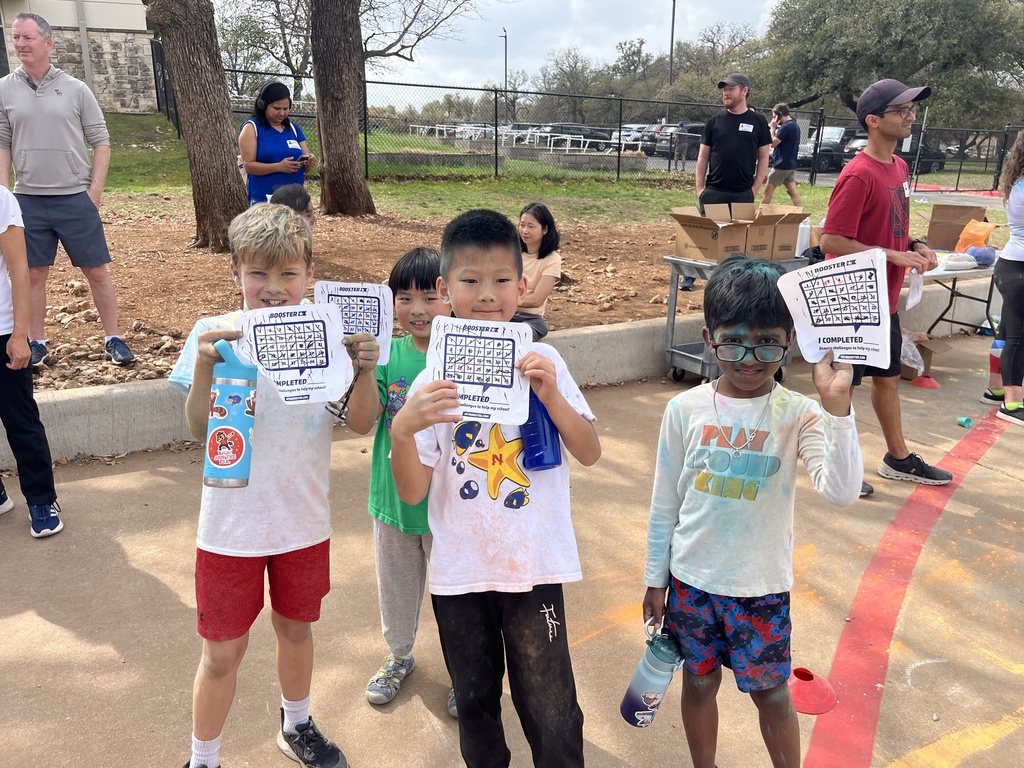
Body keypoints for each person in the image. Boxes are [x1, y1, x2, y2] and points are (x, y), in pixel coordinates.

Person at [389, 209, 602, 767]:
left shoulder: (545, 361)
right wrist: (403, 431)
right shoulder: (431, 380)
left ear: (523, 286)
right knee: (475, 702)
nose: (487, 294)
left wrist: (552, 398)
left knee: (552, 707)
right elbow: (411, 493)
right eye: (470, 280)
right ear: (445, 289)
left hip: (533, 566)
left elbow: (589, 450)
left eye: (502, 279)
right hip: (460, 572)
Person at [642, 254, 862, 768]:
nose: (749, 358)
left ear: (790, 341)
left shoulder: (800, 414)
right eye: (733, 341)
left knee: (773, 695)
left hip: (760, 588)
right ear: (708, 338)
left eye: (767, 342)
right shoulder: (684, 409)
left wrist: (837, 406)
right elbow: (665, 502)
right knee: (699, 683)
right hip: (691, 582)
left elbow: (841, 491)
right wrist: (655, 578)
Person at [169, 204, 355, 768]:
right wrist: (206, 367)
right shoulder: (215, 333)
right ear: (235, 272)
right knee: (221, 653)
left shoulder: (329, 338)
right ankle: (203, 758)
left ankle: (296, 724)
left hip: (303, 519)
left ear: (310, 274)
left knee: (296, 630)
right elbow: (200, 429)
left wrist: (363, 366)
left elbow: (360, 419)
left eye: (288, 274)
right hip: (231, 528)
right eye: (257, 273)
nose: (273, 288)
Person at [820, 78, 952, 494]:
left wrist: (915, 245)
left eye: (912, 109)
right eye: (902, 111)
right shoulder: (858, 174)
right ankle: (838, 466)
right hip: (853, 299)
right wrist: (892, 256)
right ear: (873, 121)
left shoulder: (899, 167)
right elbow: (830, 241)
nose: (911, 116)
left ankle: (898, 458)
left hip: (885, 299)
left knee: (888, 378)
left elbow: (891, 227)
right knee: (843, 384)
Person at [344, 247, 458, 715]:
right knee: (396, 590)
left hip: (450, 509)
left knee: (456, 599)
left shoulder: (466, 356)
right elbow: (360, 422)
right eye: (404, 297)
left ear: (449, 294)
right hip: (393, 501)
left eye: (430, 296)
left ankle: (465, 669)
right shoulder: (387, 354)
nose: (417, 309)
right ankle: (399, 655)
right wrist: (365, 369)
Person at [0, 12, 135, 369]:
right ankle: (36, 343)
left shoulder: (76, 89)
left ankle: (113, 338)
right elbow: (2, 143)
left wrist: (94, 192)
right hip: (27, 199)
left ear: (48, 43)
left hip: (75, 197)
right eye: (16, 37)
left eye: (28, 38)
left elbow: (101, 141)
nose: (20, 44)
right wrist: (3, 196)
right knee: (32, 275)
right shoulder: (4, 89)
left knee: (96, 271)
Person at [0, 186, 63, 538]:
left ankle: (42, 500)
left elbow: (19, 271)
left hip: (2, 331)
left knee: (20, 421)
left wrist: (20, 334)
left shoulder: (1, 200)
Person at [695, 73, 771, 213]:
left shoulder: (759, 122)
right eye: (725, 90)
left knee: (739, 229)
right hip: (714, 193)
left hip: (743, 194)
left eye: (731, 89)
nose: (726, 93)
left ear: (744, 91)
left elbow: (764, 156)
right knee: (712, 229)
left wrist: (754, 190)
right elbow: (703, 157)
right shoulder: (714, 122)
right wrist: (700, 189)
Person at [989, 129, 1024, 425]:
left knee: (1006, 332)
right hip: (1018, 270)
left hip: (1011, 267)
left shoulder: (1018, 182)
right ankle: (1012, 404)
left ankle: (995, 389)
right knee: (1018, 337)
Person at [239, 82, 316, 207]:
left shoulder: (294, 129)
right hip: (265, 200)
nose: (282, 113)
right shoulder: (252, 128)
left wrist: (309, 162)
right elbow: (249, 166)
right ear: (263, 105)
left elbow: (306, 169)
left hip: (295, 199)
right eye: (277, 108)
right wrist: (278, 167)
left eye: (285, 109)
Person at [512, 202, 561, 341]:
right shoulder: (511, 252)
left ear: (545, 229)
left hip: (529, 318)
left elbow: (536, 300)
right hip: (503, 313)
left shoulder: (552, 259)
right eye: (522, 225)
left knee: (531, 330)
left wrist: (504, 300)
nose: (524, 231)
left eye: (531, 226)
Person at [762, 103, 802, 206]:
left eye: (774, 116)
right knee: (792, 192)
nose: (773, 119)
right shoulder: (795, 126)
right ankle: (800, 212)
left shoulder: (786, 127)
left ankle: (760, 213)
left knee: (768, 191)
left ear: (780, 114)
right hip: (790, 164)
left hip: (781, 165)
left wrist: (772, 128)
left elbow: (773, 143)